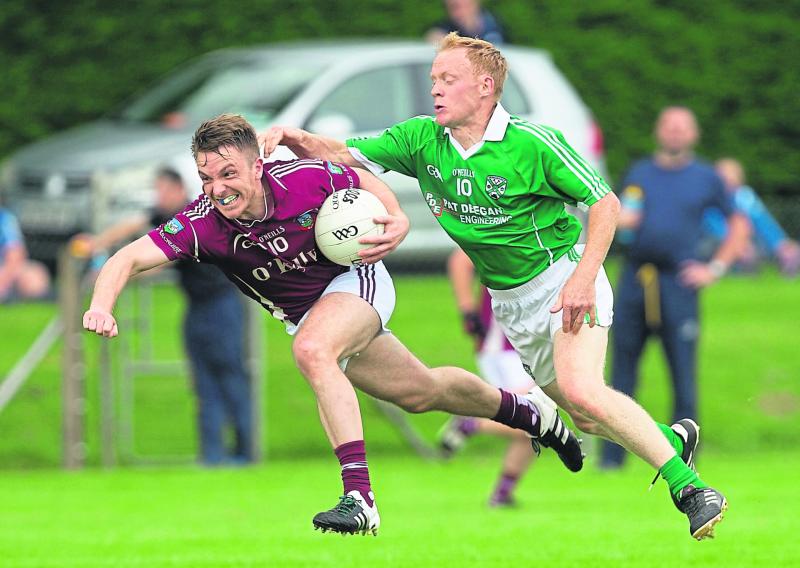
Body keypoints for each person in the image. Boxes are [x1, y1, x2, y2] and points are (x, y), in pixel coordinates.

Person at [260, 33, 728, 540]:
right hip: (510, 302)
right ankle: (667, 439)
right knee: (586, 416)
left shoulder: (532, 143)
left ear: (485, 87)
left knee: (581, 389)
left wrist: (584, 277)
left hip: (563, 279)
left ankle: (692, 490)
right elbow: (342, 152)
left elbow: (605, 204)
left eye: (447, 79)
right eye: (433, 79)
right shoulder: (421, 140)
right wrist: (296, 138)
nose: (434, 89)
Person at [83, 113, 583, 536]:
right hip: (310, 314)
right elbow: (125, 258)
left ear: (258, 166)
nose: (218, 189)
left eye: (228, 174)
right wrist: (102, 305)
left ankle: (359, 498)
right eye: (206, 178)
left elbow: (361, 176)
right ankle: (532, 415)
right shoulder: (202, 224)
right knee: (422, 391)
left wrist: (396, 217)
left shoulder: (302, 178)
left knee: (312, 350)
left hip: (358, 280)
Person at [600, 108, 750, 471]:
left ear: (693, 134)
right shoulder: (639, 172)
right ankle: (611, 462)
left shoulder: (706, 177)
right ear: (658, 131)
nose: (675, 133)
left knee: (682, 374)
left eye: (682, 127)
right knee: (621, 373)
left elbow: (738, 223)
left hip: (679, 283)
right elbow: (617, 215)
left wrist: (714, 268)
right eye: (669, 126)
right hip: (636, 279)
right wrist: (623, 223)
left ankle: (685, 459)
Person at [71, 167, 252, 466]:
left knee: (232, 381)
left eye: (163, 190)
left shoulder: (191, 218)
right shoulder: (164, 216)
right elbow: (134, 224)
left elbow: (161, 261)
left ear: (179, 189)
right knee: (203, 385)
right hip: (196, 308)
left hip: (222, 307)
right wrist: (97, 246)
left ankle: (246, 453)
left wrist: (122, 273)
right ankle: (213, 457)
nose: (159, 197)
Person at [439, 248, 537, 508]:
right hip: (505, 345)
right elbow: (460, 260)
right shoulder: (508, 221)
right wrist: (467, 310)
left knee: (536, 425)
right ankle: (471, 423)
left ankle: (502, 495)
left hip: (522, 344)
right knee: (537, 415)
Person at [707, 158, 799, 277]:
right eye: (724, 180)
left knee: (788, 250)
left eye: (732, 180)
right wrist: (736, 244)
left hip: (747, 242)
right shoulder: (708, 199)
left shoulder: (745, 196)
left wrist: (780, 243)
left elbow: (763, 222)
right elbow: (713, 226)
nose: (728, 185)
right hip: (714, 244)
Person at [0, 203, 51, 303]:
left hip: (4, 269)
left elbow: (15, 256)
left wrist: (3, 281)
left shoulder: (5, 219)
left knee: (35, 279)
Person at [425, 0, 508, 45]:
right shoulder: (444, 30)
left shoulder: (495, 23)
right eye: (454, 7)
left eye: (463, 5)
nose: (459, 12)